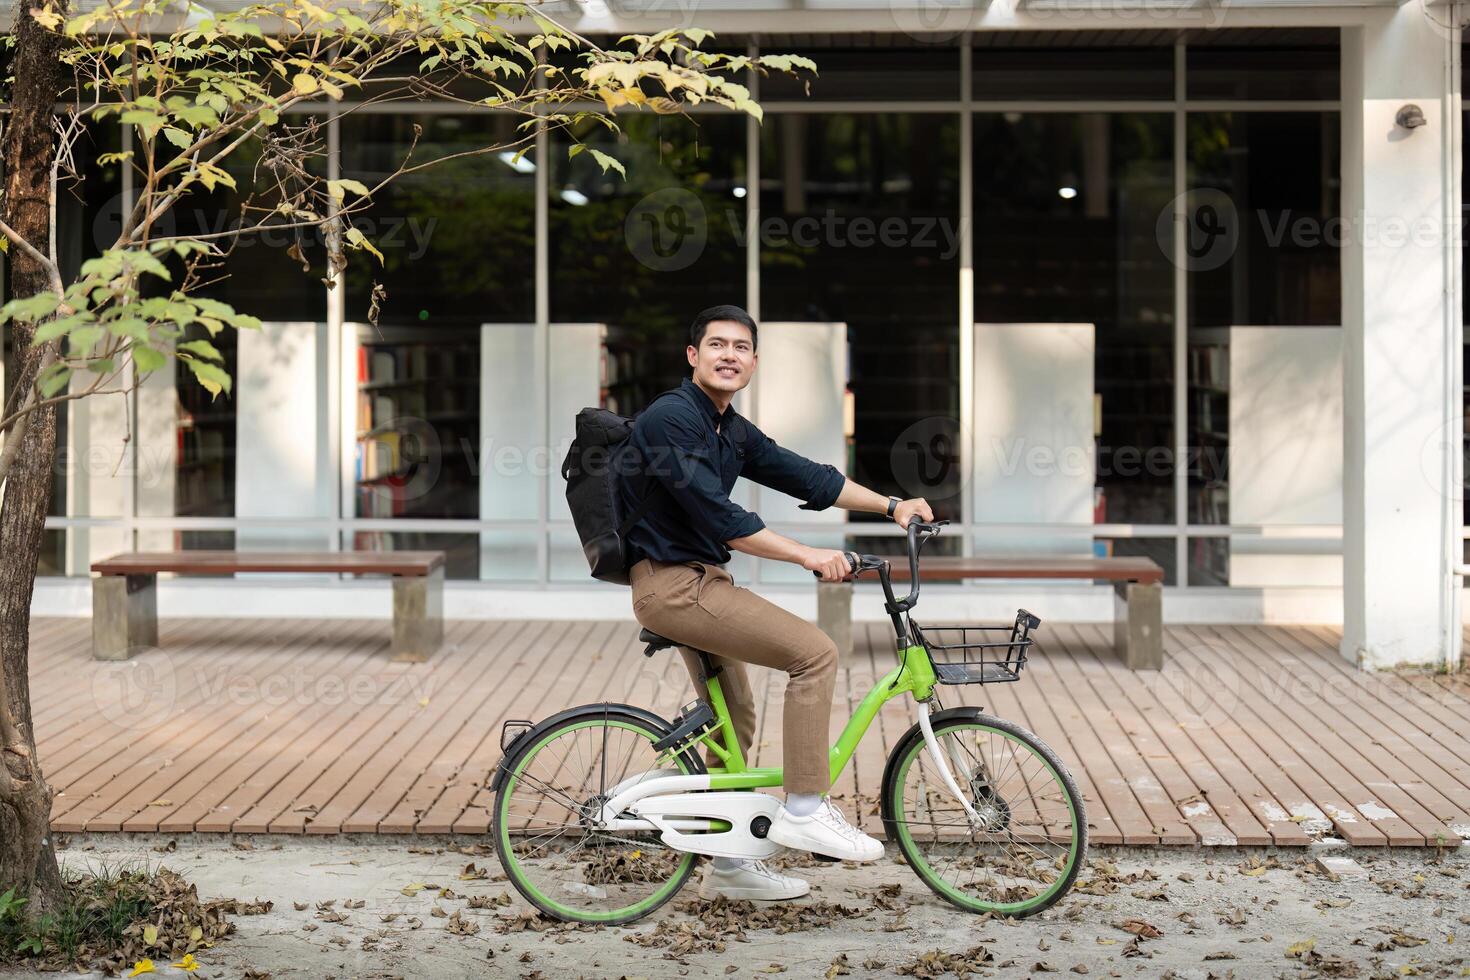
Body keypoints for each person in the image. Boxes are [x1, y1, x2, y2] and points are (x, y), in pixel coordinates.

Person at [618, 304, 934, 902]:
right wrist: (808, 555)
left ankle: (731, 863)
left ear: (754, 363)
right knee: (814, 655)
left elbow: (809, 477)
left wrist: (892, 506)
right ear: (693, 356)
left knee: (732, 723)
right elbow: (722, 518)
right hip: (675, 586)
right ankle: (807, 807)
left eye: (741, 348)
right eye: (717, 345)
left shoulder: (728, 428)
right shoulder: (671, 419)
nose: (729, 355)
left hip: (700, 580)